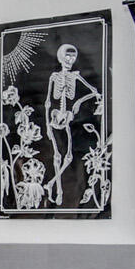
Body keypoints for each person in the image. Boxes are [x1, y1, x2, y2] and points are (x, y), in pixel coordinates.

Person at [43, 43, 102, 200]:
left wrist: (79, 102)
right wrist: (47, 126)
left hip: (68, 117)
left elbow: (95, 92)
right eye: (67, 56)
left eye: (73, 56)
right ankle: (58, 191)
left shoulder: (75, 76)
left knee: (68, 156)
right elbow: (47, 102)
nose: (70, 59)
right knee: (57, 155)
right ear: (61, 57)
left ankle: (53, 186)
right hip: (55, 117)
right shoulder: (54, 77)